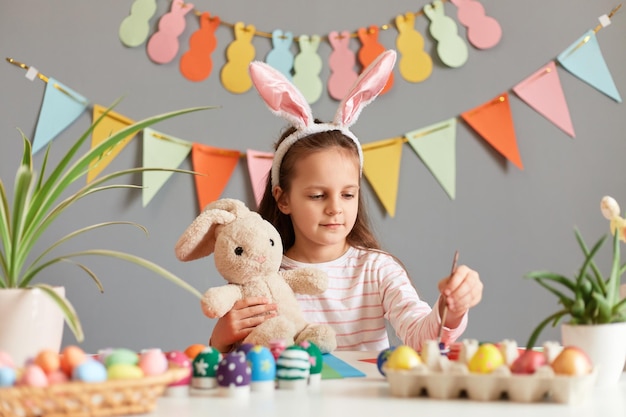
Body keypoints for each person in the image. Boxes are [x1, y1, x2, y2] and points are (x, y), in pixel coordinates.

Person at [209, 50, 483, 353]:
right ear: (283, 198)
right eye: (317, 195)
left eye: (348, 194)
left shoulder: (377, 270)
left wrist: (451, 310)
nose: (335, 207)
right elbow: (239, 365)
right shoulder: (261, 272)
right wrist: (221, 339)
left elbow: (423, 340)